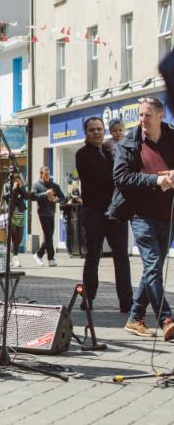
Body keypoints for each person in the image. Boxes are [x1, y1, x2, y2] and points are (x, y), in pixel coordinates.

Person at [113, 97, 174, 339]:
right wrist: (156, 180)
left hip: (167, 216)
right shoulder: (130, 142)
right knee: (152, 265)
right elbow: (121, 178)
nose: (142, 120)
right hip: (140, 215)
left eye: (147, 115)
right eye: (140, 115)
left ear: (161, 116)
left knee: (154, 268)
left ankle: (135, 318)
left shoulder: (172, 138)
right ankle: (166, 318)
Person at [75, 117, 133, 313]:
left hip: (116, 212)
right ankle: (88, 297)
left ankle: (126, 302)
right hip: (94, 212)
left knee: (122, 257)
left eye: (99, 129)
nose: (97, 133)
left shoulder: (111, 152)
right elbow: (102, 178)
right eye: (92, 130)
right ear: (86, 133)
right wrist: (121, 179)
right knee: (93, 255)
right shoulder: (82, 155)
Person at [30, 166, 65, 267]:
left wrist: (55, 200)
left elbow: (63, 198)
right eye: (45, 174)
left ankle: (38, 254)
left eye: (48, 174)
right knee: (49, 235)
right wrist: (45, 194)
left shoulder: (54, 185)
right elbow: (32, 197)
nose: (47, 176)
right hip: (42, 214)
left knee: (49, 237)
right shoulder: (36, 185)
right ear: (41, 174)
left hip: (51, 213)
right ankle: (51, 258)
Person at [0, 175, 30, 268]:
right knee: (11, 236)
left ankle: (14, 256)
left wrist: (21, 188)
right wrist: (13, 188)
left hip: (20, 213)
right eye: (15, 178)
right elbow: (5, 196)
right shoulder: (6, 185)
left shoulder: (21, 187)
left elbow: (26, 196)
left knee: (19, 237)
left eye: (18, 178)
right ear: (10, 179)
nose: (17, 179)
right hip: (11, 213)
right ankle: (12, 257)